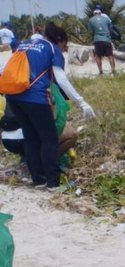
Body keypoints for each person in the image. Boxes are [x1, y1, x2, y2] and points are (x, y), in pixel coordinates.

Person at [5, 23, 75, 188]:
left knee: (31, 137)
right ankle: (52, 182)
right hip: (34, 97)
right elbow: (62, 79)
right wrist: (82, 102)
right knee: (48, 138)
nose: (64, 49)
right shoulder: (52, 48)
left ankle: (38, 179)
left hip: (13, 96)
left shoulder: (24, 45)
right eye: (65, 45)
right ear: (60, 40)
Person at [88, 6, 116, 75]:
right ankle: (113, 71)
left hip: (97, 40)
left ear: (94, 13)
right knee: (110, 56)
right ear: (100, 13)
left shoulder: (91, 20)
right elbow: (110, 28)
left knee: (98, 56)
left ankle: (100, 72)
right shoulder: (106, 19)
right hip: (106, 39)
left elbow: (91, 30)